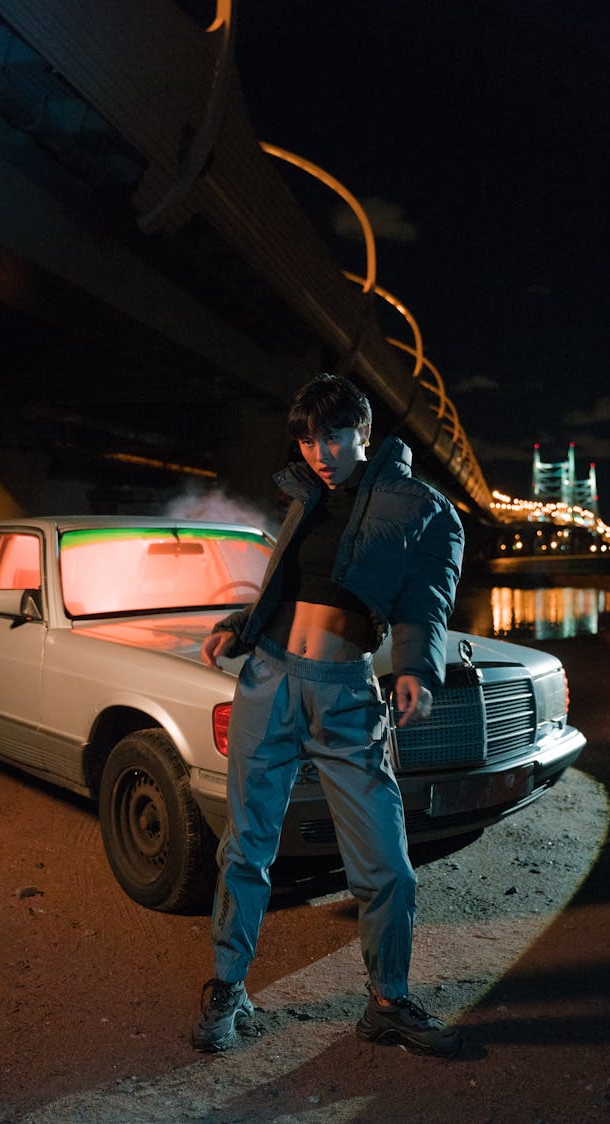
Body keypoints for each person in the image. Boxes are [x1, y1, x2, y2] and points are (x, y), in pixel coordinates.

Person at [193, 373, 464, 1056]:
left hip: (346, 691)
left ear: (363, 433)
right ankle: (227, 986)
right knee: (247, 846)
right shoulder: (307, 495)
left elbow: (425, 603)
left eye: (334, 436)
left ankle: (388, 1001)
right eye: (309, 438)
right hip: (268, 680)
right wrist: (237, 624)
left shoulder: (422, 508)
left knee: (384, 860)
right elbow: (284, 582)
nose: (320, 450)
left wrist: (414, 670)